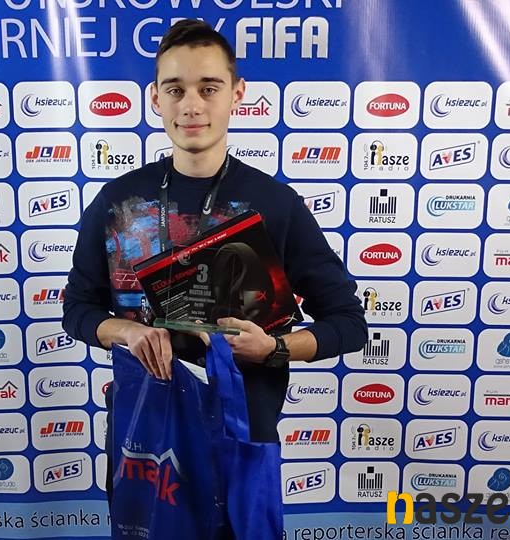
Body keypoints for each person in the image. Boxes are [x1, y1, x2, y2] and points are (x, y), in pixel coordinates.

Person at [61, 17, 367, 491]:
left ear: (237, 94)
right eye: (175, 90)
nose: (191, 105)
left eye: (208, 88)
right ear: (156, 98)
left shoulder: (275, 204)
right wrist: (126, 331)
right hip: (143, 435)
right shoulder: (116, 201)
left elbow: (348, 323)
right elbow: (78, 309)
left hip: (242, 438)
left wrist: (274, 348)